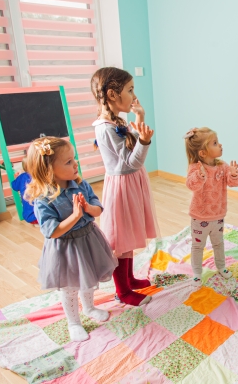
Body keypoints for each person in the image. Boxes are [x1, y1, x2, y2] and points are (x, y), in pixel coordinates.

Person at [25, 137, 117, 342]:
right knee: (70, 289)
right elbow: (52, 231)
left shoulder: (80, 184)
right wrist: (75, 216)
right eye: (68, 162)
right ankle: (73, 322)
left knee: (88, 281)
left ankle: (90, 308)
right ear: (49, 169)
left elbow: (97, 208)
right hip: (65, 250)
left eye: (73, 159)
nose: (75, 164)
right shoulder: (43, 199)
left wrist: (86, 208)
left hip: (88, 241)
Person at [91, 67, 157, 306]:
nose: (133, 95)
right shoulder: (105, 128)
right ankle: (122, 290)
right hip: (122, 186)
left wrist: (138, 120)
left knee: (128, 235)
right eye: (129, 90)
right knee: (120, 240)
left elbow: (130, 153)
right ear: (112, 94)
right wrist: (145, 141)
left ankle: (129, 279)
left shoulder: (116, 121)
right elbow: (131, 162)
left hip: (131, 184)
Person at [183, 127, 238, 285]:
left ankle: (221, 267)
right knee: (198, 246)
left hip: (218, 216)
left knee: (218, 243)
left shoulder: (222, 166)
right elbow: (191, 185)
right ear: (202, 152)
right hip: (199, 217)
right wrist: (198, 176)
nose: (220, 145)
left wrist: (234, 174)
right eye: (215, 143)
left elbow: (233, 182)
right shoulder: (195, 168)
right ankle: (197, 272)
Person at [11, 159, 37, 224]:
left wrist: (17, 177)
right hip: (38, 216)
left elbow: (14, 186)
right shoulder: (39, 176)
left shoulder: (22, 177)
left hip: (28, 216)